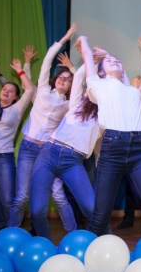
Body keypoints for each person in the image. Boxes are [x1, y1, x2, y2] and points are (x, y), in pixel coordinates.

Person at [78, 36, 141, 242]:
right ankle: (86, 255)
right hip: (113, 149)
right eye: (109, 61)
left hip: (140, 150)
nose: (115, 61)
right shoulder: (97, 85)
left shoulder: (131, 90)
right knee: (101, 215)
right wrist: (84, 40)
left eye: (118, 61)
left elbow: (128, 88)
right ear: (101, 71)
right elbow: (87, 54)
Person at [8, 24, 78, 231]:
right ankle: (11, 233)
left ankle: (73, 233)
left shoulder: (69, 104)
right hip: (28, 148)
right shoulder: (42, 91)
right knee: (22, 196)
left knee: (58, 195)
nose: (64, 81)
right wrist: (64, 38)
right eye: (62, 77)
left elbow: (84, 89)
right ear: (55, 80)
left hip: (48, 151)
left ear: (71, 86)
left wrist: (73, 70)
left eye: (68, 80)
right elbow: (48, 59)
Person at [30, 55, 104, 240]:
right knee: (37, 210)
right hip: (49, 153)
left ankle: (106, 242)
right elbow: (78, 77)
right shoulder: (75, 104)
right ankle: (45, 244)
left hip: (73, 160)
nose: (86, 92)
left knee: (91, 208)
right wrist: (91, 60)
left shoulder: (105, 117)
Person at [0, 48, 36, 227]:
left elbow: (29, 89)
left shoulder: (17, 109)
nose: (6, 91)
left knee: (8, 199)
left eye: (11, 91)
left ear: (16, 97)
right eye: (4, 88)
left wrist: (20, 69)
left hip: (4, 157)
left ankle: (10, 231)